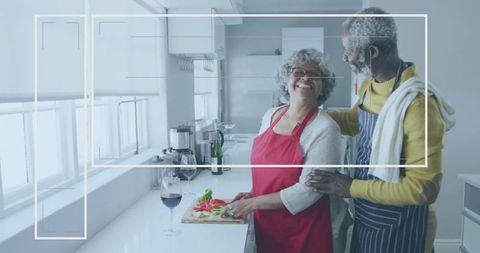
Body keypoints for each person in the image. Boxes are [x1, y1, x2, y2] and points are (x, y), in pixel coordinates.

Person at [306, 7, 455, 253]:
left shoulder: (418, 104)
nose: (344, 57)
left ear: (372, 52)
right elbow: (355, 122)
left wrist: (350, 187)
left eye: (348, 50)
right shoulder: (371, 84)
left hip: (402, 226)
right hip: (369, 215)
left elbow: (423, 189)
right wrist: (306, 113)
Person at [224, 48, 350, 253]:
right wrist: (252, 194)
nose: (306, 77)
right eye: (298, 72)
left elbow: (307, 193)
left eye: (314, 75)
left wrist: (253, 203)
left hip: (304, 232)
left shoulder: (325, 129)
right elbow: (268, 172)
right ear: (286, 80)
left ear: (323, 88)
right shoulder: (270, 115)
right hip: (269, 225)